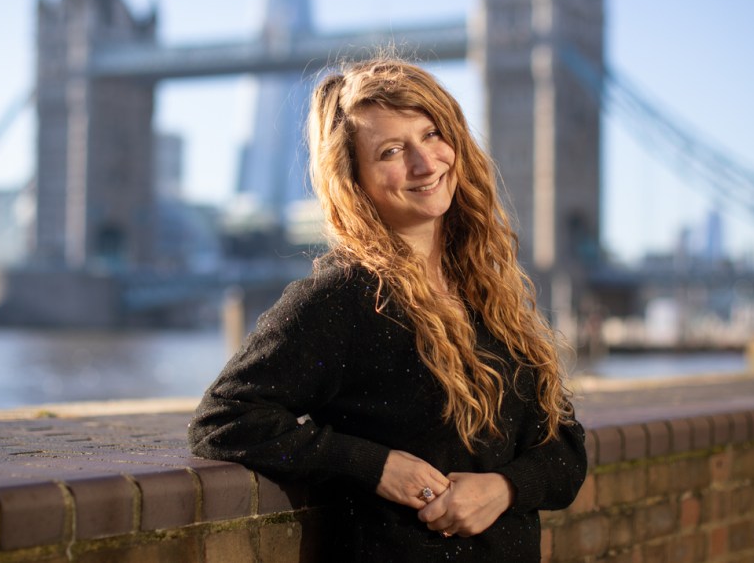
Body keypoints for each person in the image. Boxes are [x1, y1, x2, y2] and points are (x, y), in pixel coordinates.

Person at [188, 54, 587, 561]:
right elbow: (222, 420)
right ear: (354, 179)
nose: (425, 164)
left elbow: (566, 451)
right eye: (392, 151)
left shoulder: (490, 293)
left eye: (431, 135)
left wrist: (504, 489)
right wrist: (375, 467)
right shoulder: (343, 299)